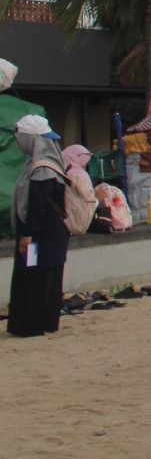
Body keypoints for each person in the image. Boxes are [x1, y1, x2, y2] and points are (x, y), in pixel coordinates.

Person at [8, 114, 69, 338]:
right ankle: (45, 323)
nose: (17, 142)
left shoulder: (42, 169)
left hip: (41, 237)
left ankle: (32, 326)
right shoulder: (45, 164)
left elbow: (37, 207)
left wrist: (27, 235)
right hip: (48, 236)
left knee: (34, 278)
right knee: (42, 279)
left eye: (19, 137)